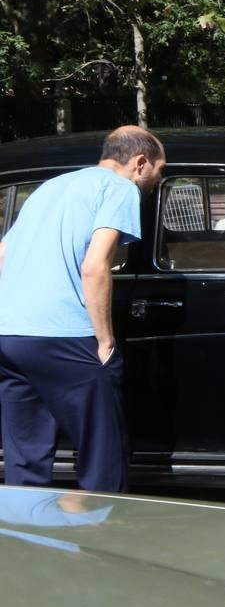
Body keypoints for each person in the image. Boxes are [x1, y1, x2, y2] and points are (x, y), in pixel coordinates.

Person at [0, 126, 166, 492]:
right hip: (64, 335)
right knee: (101, 449)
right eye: (159, 169)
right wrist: (105, 341)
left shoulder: (51, 187)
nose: (158, 177)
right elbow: (95, 266)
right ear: (140, 163)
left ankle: (25, 537)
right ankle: (100, 533)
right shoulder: (120, 188)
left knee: (25, 452)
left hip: (10, 335)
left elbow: (2, 255)